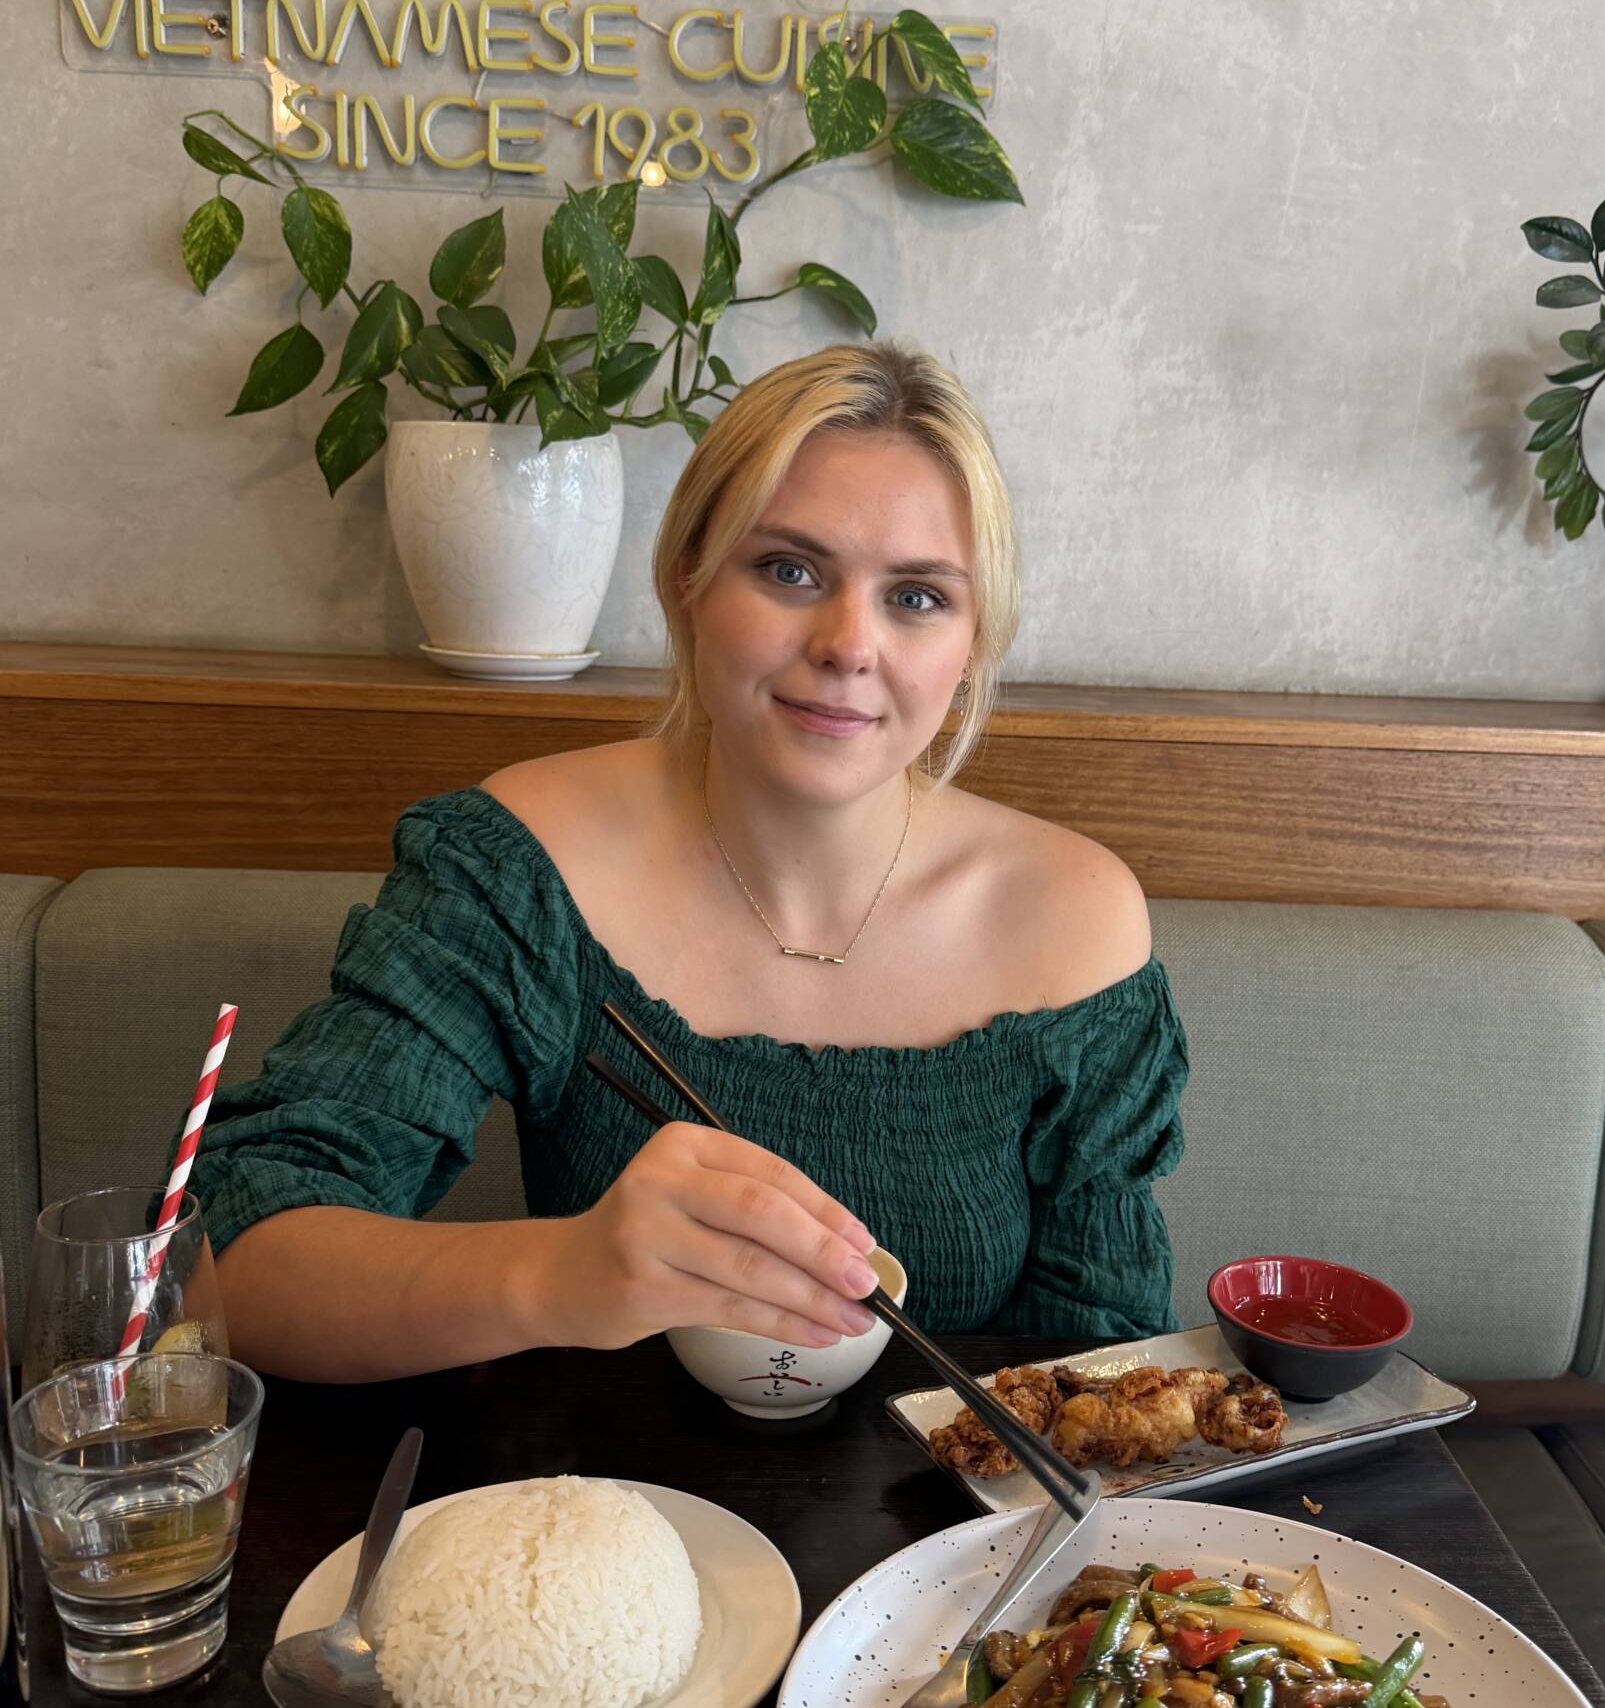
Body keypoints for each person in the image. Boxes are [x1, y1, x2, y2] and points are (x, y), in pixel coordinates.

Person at [197, 341, 1188, 1382]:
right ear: (690, 581)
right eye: (790, 570)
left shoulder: (1074, 920)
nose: (850, 645)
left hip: (956, 1495)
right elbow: (232, 1267)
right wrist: (560, 1272)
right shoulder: (521, 865)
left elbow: (1106, 1373)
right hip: (590, 1482)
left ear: (974, 641)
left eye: (917, 597)